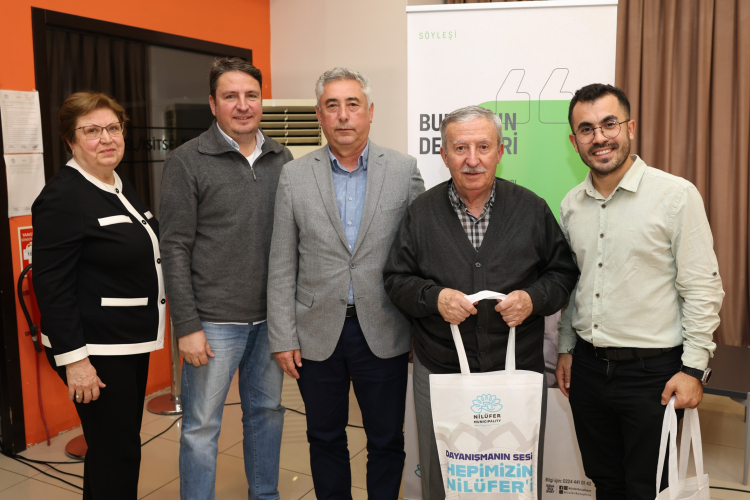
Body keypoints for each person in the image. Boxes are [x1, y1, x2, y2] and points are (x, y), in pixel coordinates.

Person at [383, 105, 579, 500]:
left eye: (483, 147)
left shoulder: (531, 208)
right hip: (441, 370)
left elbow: (562, 273)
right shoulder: (421, 213)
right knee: (444, 476)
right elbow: (396, 279)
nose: (472, 160)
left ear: (500, 151)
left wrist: (533, 299)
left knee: (514, 474)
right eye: (460, 148)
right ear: (444, 154)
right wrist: (434, 298)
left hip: (515, 367)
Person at [555, 83, 724, 500]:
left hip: (655, 374)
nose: (599, 137)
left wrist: (693, 369)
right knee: (605, 482)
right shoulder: (571, 205)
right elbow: (574, 284)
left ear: (630, 127)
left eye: (609, 124)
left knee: (650, 488)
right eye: (587, 129)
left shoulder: (676, 195)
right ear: (574, 141)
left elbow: (702, 287)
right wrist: (566, 348)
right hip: (588, 369)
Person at [267, 67, 424, 500]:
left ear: (370, 112)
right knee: (324, 437)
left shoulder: (403, 170)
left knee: (386, 439)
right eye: (331, 106)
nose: (342, 115)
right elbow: (281, 262)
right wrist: (283, 335)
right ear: (319, 115)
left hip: (385, 328)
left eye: (352, 104)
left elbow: (420, 254)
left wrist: (421, 326)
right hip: (315, 333)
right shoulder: (294, 175)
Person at [159, 57, 293, 500]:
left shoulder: (282, 158)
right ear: (213, 103)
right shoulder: (187, 161)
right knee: (201, 428)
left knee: (267, 415)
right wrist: (187, 326)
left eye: (251, 95)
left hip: (270, 321)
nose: (243, 105)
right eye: (230, 96)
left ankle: (265, 495)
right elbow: (174, 248)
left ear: (261, 101)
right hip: (213, 325)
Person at [32, 91, 165, 500]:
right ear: (70, 141)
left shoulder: (116, 183)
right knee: (116, 452)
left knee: (114, 447)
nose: (106, 138)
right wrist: (76, 362)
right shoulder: (63, 196)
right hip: (96, 348)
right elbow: (51, 286)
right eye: (91, 131)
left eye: (113, 128)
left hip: (126, 340)